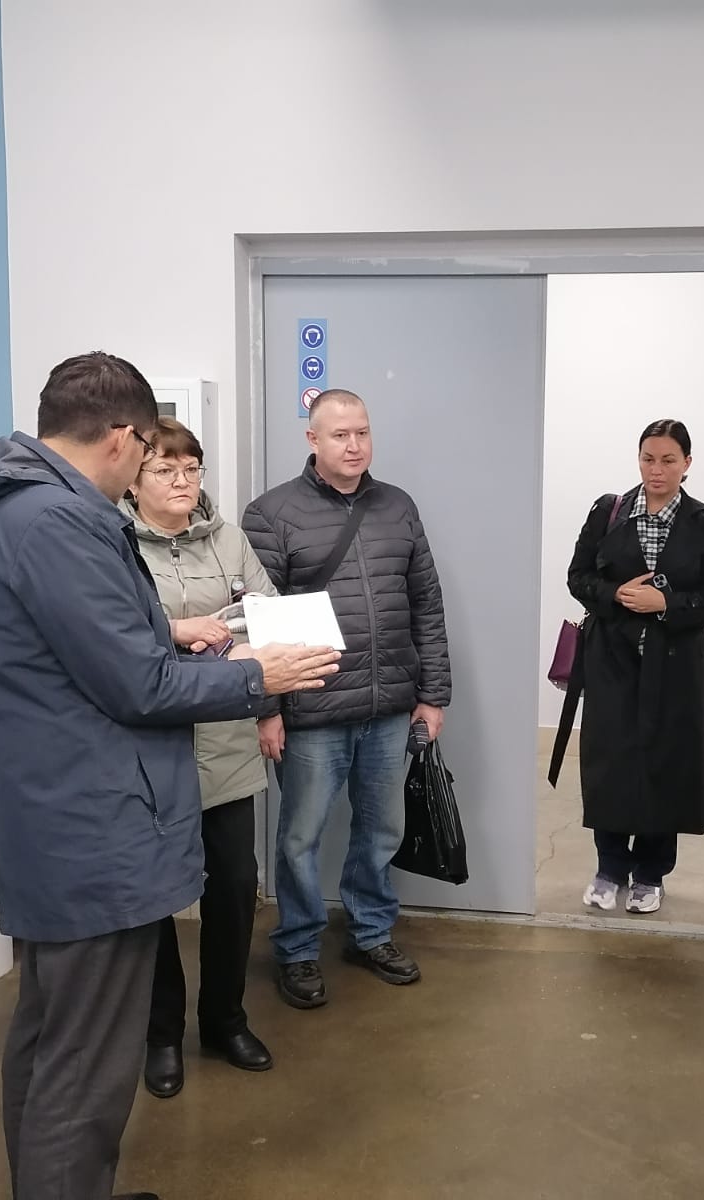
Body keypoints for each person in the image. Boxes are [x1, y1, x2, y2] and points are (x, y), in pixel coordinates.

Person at [0, 352, 341, 1200]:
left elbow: (93, 655)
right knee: (84, 1066)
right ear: (123, 438)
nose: (153, 468)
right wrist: (257, 676)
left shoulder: (25, 510)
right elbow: (137, 687)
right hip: (89, 832)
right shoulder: (54, 522)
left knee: (53, 1041)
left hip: (64, 822)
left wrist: (174, 634)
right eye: (151, 451)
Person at [241, 388, 451, 1009]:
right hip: (312, 711)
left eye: (362, 432)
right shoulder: (271, 514)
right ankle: (298, 948)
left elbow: (426, 605)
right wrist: (267, 710)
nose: (354, 445)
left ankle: (371, 932)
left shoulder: (398, 506)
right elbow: (256, 621)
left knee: (382, 829)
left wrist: (433, 694)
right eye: (340, 434)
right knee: (300, 838)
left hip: (389, 707)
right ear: (313, 439)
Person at [123, 416, 280, 1099]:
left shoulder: (229, 539)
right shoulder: (113, 542)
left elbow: (266, 612)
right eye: (165, 469)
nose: (183, 481)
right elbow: (109, 633)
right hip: (149, 750)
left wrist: (265, 694)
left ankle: (224, 1020)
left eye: (192, 468)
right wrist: (178, 630)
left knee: (234, 888)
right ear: (134, 480)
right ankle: (161, 1035)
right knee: (155, 899)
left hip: (225, 742)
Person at [566, 419, 704, 915]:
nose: (656, 470)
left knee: (667, 764)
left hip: (676, 665)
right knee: (611, 763)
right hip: (611, 660)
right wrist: (615, 594)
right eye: (648, 459)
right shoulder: (609, 512)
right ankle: (609, 867)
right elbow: (578, 577)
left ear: (687, 463)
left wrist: (665, 602)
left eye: (668, 460)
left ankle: (651, 873)